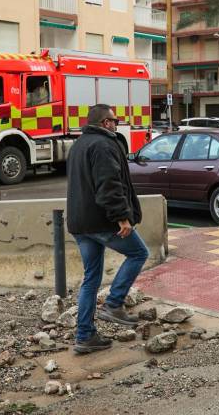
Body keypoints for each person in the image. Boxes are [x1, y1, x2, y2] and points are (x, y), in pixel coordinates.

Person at [66, 103, 149, 355]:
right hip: (102, 221)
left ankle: (85, 336)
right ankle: (113, 303)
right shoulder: (103, 145)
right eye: (114, 119)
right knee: (138, 253)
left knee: (91, 279)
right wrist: (122, 217)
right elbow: (109, 185)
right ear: (105, 123)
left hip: (80, 223)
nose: (117, 123)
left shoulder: (79, 145)